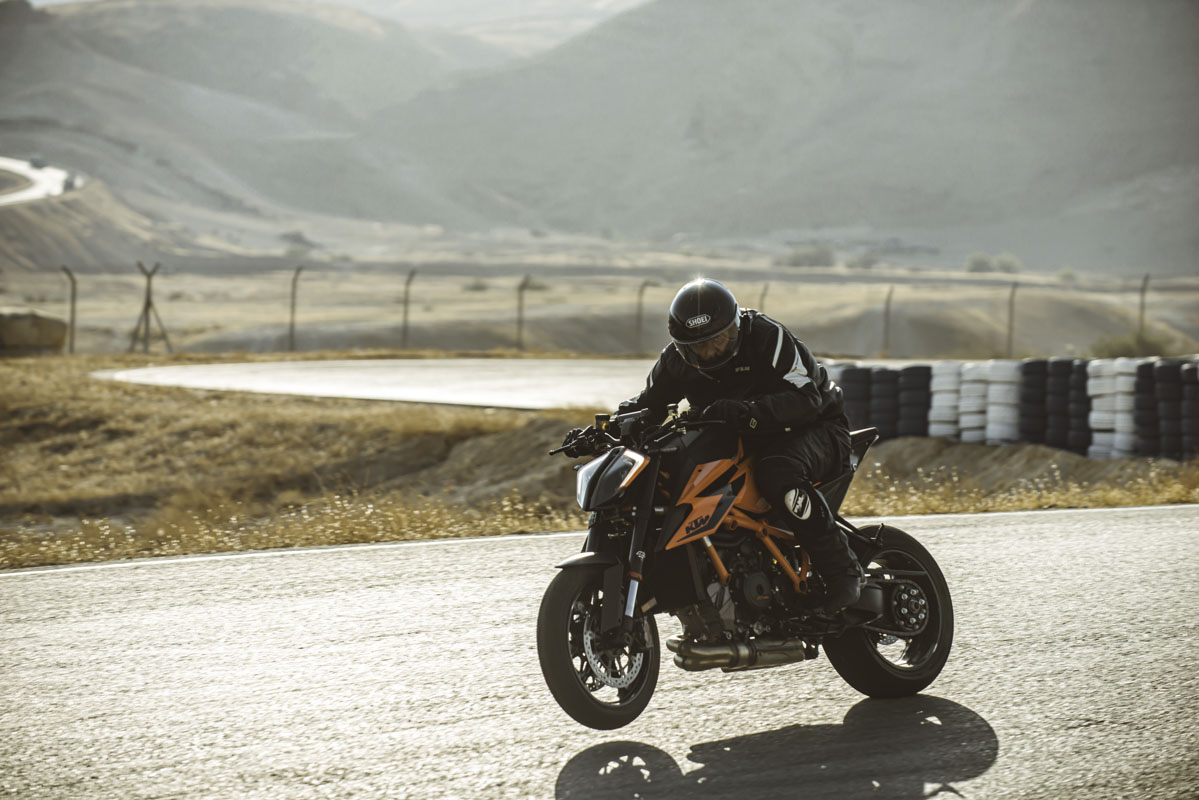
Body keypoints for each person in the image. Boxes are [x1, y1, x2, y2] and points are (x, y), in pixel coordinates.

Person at [620, 277, 863, 612]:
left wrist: (749, 412)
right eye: (698, 347)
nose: (710, 352)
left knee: (777, 471)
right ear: (682, 347)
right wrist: (612, 425)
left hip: (814, 427)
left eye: (717, 340)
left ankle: (843, 571)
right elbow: (649, 404)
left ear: (734, 328)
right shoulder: (675, 361)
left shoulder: (767, 336)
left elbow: (807, 398)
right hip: (741, 436)